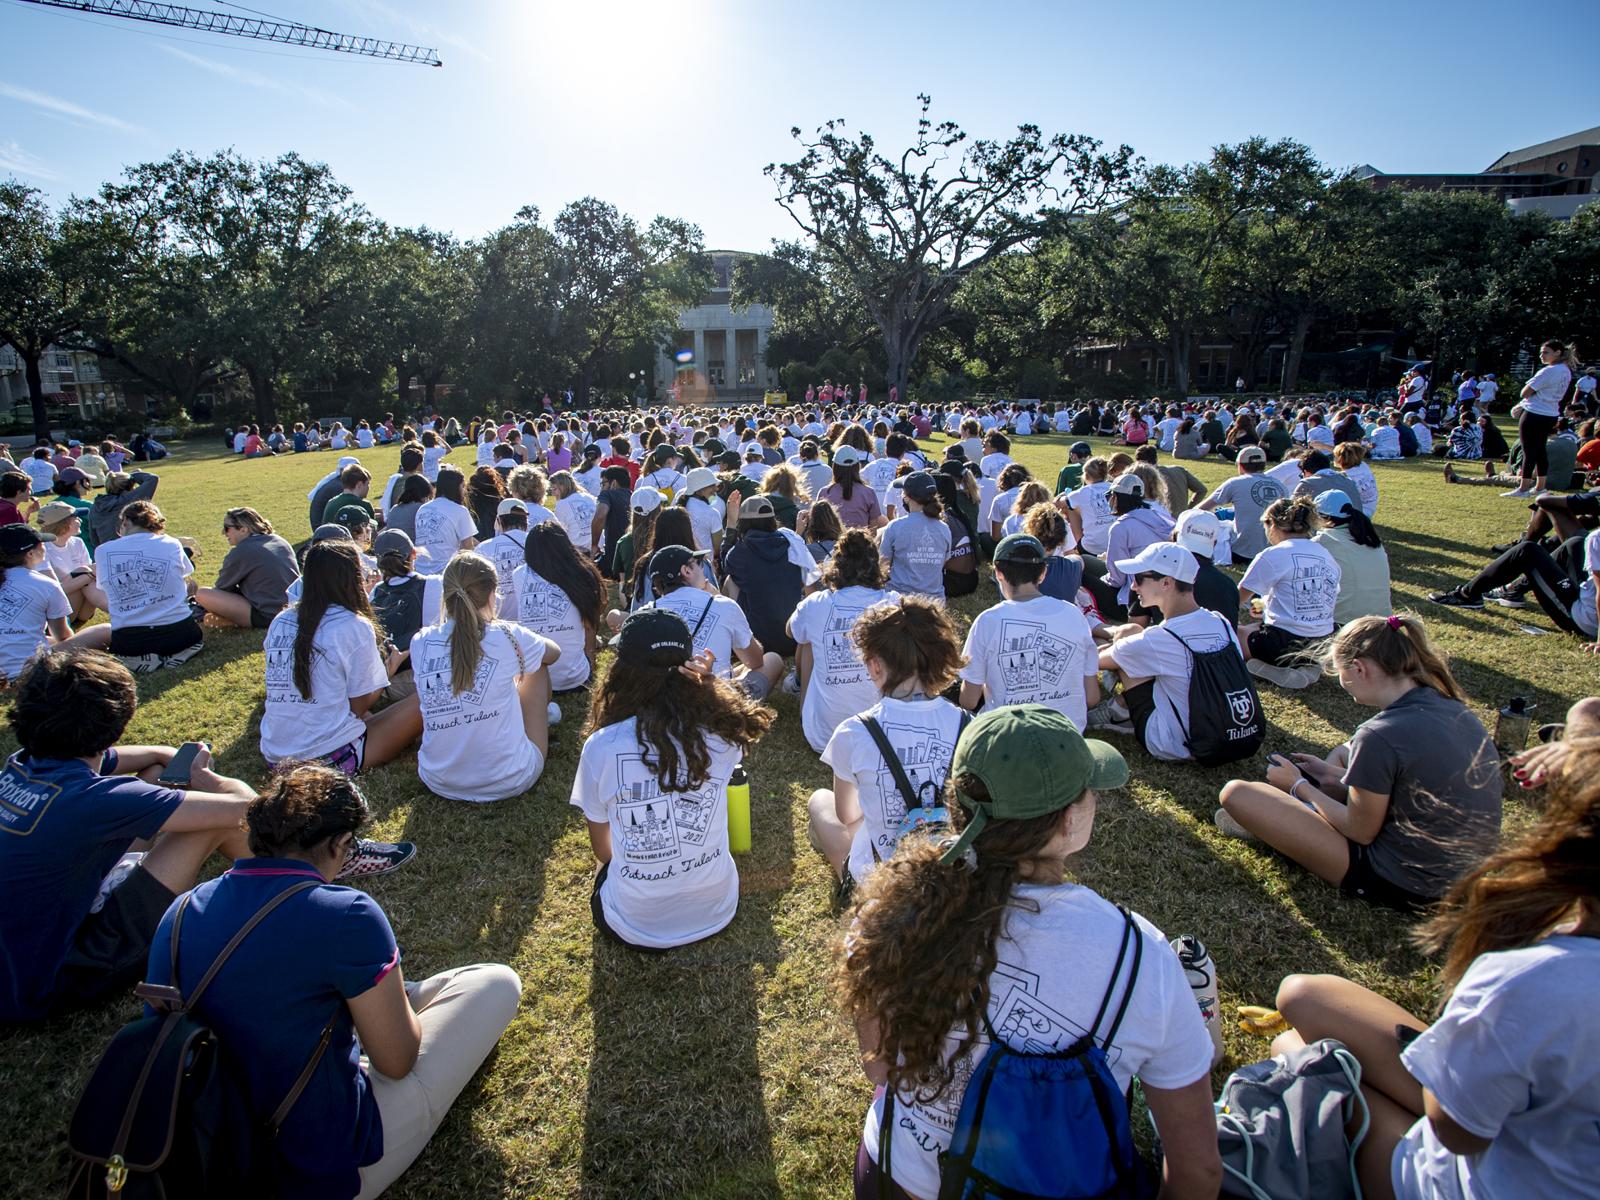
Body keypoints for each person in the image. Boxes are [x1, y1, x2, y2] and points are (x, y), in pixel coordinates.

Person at [841, 703, 1222, 1200]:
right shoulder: (1141, 953)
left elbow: (880, 1070)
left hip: (893, 1180)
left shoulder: (885, 918)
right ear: (1068, 821)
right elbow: (1199, 1173)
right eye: (1089, 792)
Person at [142, 762, 515, 1196]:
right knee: (494, 983)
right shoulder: (347, 915)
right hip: (305, 1172)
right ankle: (384, 999)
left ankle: (382, 997)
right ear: (340, 844)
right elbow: (396, 1062)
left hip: (194, 1156)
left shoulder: (181, 910)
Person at [1268, 749, 1599, 1200]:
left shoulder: (1533, 979)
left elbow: (1458, 1133)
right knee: (1304, 994)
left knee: (1294, 1048)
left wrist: (1300, 786)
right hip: (1550, 1139)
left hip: (1471, 1175)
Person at [0, 650, 257, 1022]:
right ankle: (292, 882)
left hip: (16, 965)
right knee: (213, 821)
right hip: (58, 979)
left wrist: (168, 756)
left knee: (154, 772)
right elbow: (246, 807)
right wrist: (205, 778)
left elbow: (143, 757)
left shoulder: (23, 764)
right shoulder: (96, 800)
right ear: (117, 720)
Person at [1217, 614, 1501, 912]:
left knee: (1237, 794)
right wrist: (1334, 775)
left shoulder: (1379, 736)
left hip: (1406, 882)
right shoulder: (1452, 707)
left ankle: (1286, 823)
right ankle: (1291, 819)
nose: (1342, 683)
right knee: (1340, 756)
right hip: (1461, 875)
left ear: (1359, 668)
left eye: (1340, 673)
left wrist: (1300, 787)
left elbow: (1359, 830)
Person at [572, 607, 774, 950]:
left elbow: (604, 852)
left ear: (622, 671)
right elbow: (733, 714)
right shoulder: (723, 734)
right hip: (717, 909)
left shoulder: (601, 747)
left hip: (633, 926)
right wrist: (709, 688)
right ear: (690, 667)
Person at [806, 597, 969, 887]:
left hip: (884, 884)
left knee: (821, 802)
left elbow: (848, 815)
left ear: (875, 666)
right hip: (954, 870)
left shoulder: (853, 732)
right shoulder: (969, 724)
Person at [259, 541, 422, 773]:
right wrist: (389, 669)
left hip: (276, 755)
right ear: (351, 578)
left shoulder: (280, 621)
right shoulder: (352, 624)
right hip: (328, 757)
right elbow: (358, 707)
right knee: (424, 700)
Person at [413, 552, 559, 803]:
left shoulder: (420, 642)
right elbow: (554, 653)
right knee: (537, 665)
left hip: (438, 779)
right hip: (509, 778)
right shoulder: (507, 635)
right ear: (492, 594)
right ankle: (542, 716)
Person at [1090, 543, 1247, 756]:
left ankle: (1117, 712)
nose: (1134, 587)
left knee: (1128, 649)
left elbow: (1096, 660)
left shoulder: (1161, 639)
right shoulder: (1220, 622)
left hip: (1176, 744)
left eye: (1138, 578)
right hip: (1235, 731)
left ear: (1166, 583)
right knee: (1133, 646)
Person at [959, 534, 1099, 729]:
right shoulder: (1074, 615)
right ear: (1043, 573)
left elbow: (968, 701)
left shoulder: (987, 622)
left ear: (998, 572)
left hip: (1007, 735)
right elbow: (1092, 698)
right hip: (1068, 736)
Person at [787, 530, 901, 755]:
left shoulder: (815, 603)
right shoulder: (892, 603)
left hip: (823, 736)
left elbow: (791, 630)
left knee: (808, 640)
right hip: (881, 734)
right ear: (876, 566)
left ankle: (804, 705)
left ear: (835, 566)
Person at [643, 544, 783, 699]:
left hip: (662, 704)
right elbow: (755, 661)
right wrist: (720, 598)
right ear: (686, 571)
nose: (702, 570)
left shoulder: (643, 614)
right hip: (715, 703)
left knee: (733, 670)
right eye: (699, 564)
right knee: (772, 660)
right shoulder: (723, 605)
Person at [93, 500, 203, 669]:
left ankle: (142, 657)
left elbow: (105, 589)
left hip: (130, 640)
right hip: (182, 633)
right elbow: (185, 575)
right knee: (188, 586)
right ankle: (177, 651)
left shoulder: (103, 550)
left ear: (126, 522)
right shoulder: (172, 543)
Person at [0, 522, 110, 679]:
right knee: (105, 631)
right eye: (42, 543)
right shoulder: (45, 584)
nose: (45, 546)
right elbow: (63, 637)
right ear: (30, 553)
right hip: (28, 670)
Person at [513, 520, 607, 700]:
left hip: (534, 683)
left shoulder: (518, 575)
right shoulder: (582, 573)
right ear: (565, 545)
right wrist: (591, 665)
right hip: (576, 678)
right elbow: (590, 625)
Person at [723, 495, 807, 658]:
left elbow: (725, 564)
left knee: (730, 581)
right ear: (772, 520)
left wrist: (731, 524)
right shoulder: (791, 544)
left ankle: (734, 637)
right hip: (793, 639)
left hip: (759, 642)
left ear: (744, 523)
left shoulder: (740, 553)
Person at [194, 507, 300, 630]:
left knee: (202, 594)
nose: (224, 533)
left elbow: (222, 587)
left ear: (244, 529)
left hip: (269, 615)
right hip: (296, 607)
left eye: (227, 528)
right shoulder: (279, 540)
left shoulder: (242, 551)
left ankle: (231, 620)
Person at [1088, 474, 1174, 623]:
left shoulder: (1121, 527)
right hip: (1165, 594)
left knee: (1081, 569)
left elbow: (1117, 579)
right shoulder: (1160, 518)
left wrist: (1103, 576)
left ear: (1115, 497)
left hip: (1134, 602)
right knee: (1087, 561)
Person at [1503, 339, 1579, 497]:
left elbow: (1525, 392)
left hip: (1534, 412)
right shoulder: (1565, 370)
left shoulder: (1549, 371)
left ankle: (1523, 488)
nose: (1542, 356)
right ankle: (1540, 486)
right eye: (1541, 352)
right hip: (1551, 413)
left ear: (1557, 352)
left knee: (1529, 450)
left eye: (1546, 352)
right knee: (1540, 450)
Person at [1314, 491, 1392, 627]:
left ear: (1324, 517)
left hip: (1347, 623)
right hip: (1383, 619)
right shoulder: (1370, 539)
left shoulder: (1323, 540)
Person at [877, 471, 951, 600]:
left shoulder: (895, 527)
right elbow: (943, 562)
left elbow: (883, 565)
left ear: (906, 497)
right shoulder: (944, 529)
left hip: (900, 600)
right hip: (934, 601)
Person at [35, 501, 99, 626]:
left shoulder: (77, 542)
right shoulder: (41, 548)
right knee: (83, 580)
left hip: (77, 602)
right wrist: (88, 575)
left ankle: (77, 623)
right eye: (75, 517)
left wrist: (86, 575)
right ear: (63, 524)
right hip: (51, 608)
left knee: (88, 581)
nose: (80, 520)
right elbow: (53, 591)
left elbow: (89, 572)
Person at [1173, 509, 1240, 628]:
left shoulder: (1153, 577)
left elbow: (1136, 625)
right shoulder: (1228, 586)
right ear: (1214, 543)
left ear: (1175, 537)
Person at [412, 465, 477, 569]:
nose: (465, 491)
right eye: (463, 486)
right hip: (446, 572)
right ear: (456, 488)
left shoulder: (422, 509)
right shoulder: (460, 510)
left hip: (420, 570)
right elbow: (467, 548)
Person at [477, 498, 530, 619]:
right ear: (526, 521)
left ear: (499, 520)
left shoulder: (484, 548)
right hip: (532, 622)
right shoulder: (541, 543)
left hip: (497, 621)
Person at [818, 445, 885, 531]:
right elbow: (873, 527)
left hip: (834, 543)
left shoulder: (824, 493)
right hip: (861, 542)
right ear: (857, 466)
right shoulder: (868, 492)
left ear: (835, 467)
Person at [88, 468, 158, 549]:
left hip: (108, 551)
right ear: (130, 486)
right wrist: (131, 476)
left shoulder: (96, 506)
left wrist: (114, 479)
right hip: (133, 550)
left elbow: (94, 540)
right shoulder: (131, 500)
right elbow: (153, 478)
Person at [590, 465, 633, 577]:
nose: (601, 488)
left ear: (613, 483)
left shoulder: (607, 494)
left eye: (603, 484)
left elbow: (600, 515)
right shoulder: (633, 496)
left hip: (614, 558)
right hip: (634, 557)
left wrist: (594, 545)